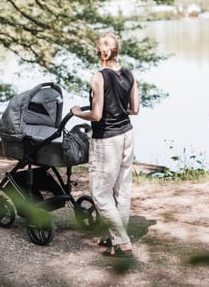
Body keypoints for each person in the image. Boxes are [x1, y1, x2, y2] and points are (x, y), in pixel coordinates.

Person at [71, 32, 140, 258]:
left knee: (101, 193)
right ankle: (114, 239)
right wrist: (119, 111)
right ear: (116, 50)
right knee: (122, 190)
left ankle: (123, 242)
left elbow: (97, 115)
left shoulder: (99, 76)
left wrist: (79, 113)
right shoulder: (129, 74)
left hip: (107, 139)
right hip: (127, 135)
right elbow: (135, 109)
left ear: (100, 51)